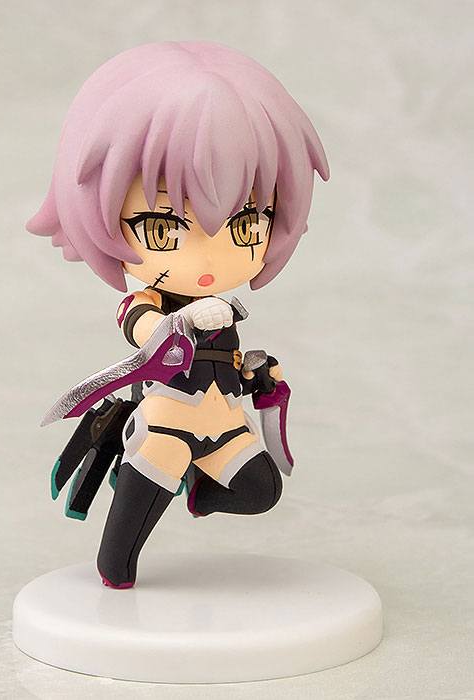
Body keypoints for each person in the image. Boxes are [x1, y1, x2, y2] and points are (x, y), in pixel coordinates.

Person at [28, 41, 329, 588]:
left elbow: (226, 361)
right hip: (166, 427)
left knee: (261, 491)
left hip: (221, 422)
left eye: (246, 225)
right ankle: (118, 571)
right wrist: (181, 325)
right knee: (119, 557)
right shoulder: (149, 303)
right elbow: (144, 331)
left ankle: (199, 489)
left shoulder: (227, 311)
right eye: (164, 228)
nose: (210, 259)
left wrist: (255, 374)